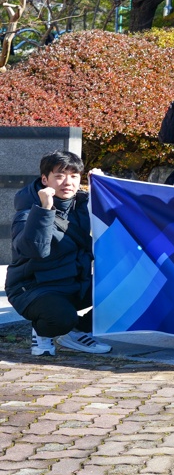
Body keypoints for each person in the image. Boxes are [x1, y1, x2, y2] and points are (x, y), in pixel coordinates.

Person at [7, 151, 112, 357]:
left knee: (125, 290)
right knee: (61, 317)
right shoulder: (27, 212)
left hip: (74, 282)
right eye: (60, 175)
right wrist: (45, 210)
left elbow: (118, 217)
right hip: (35, 289)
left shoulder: (83, 204)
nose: (68, 182)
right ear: (45, 179)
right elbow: (36, 250)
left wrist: (104, 187)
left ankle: (77, 332)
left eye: (74, 176)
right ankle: (44, 331)